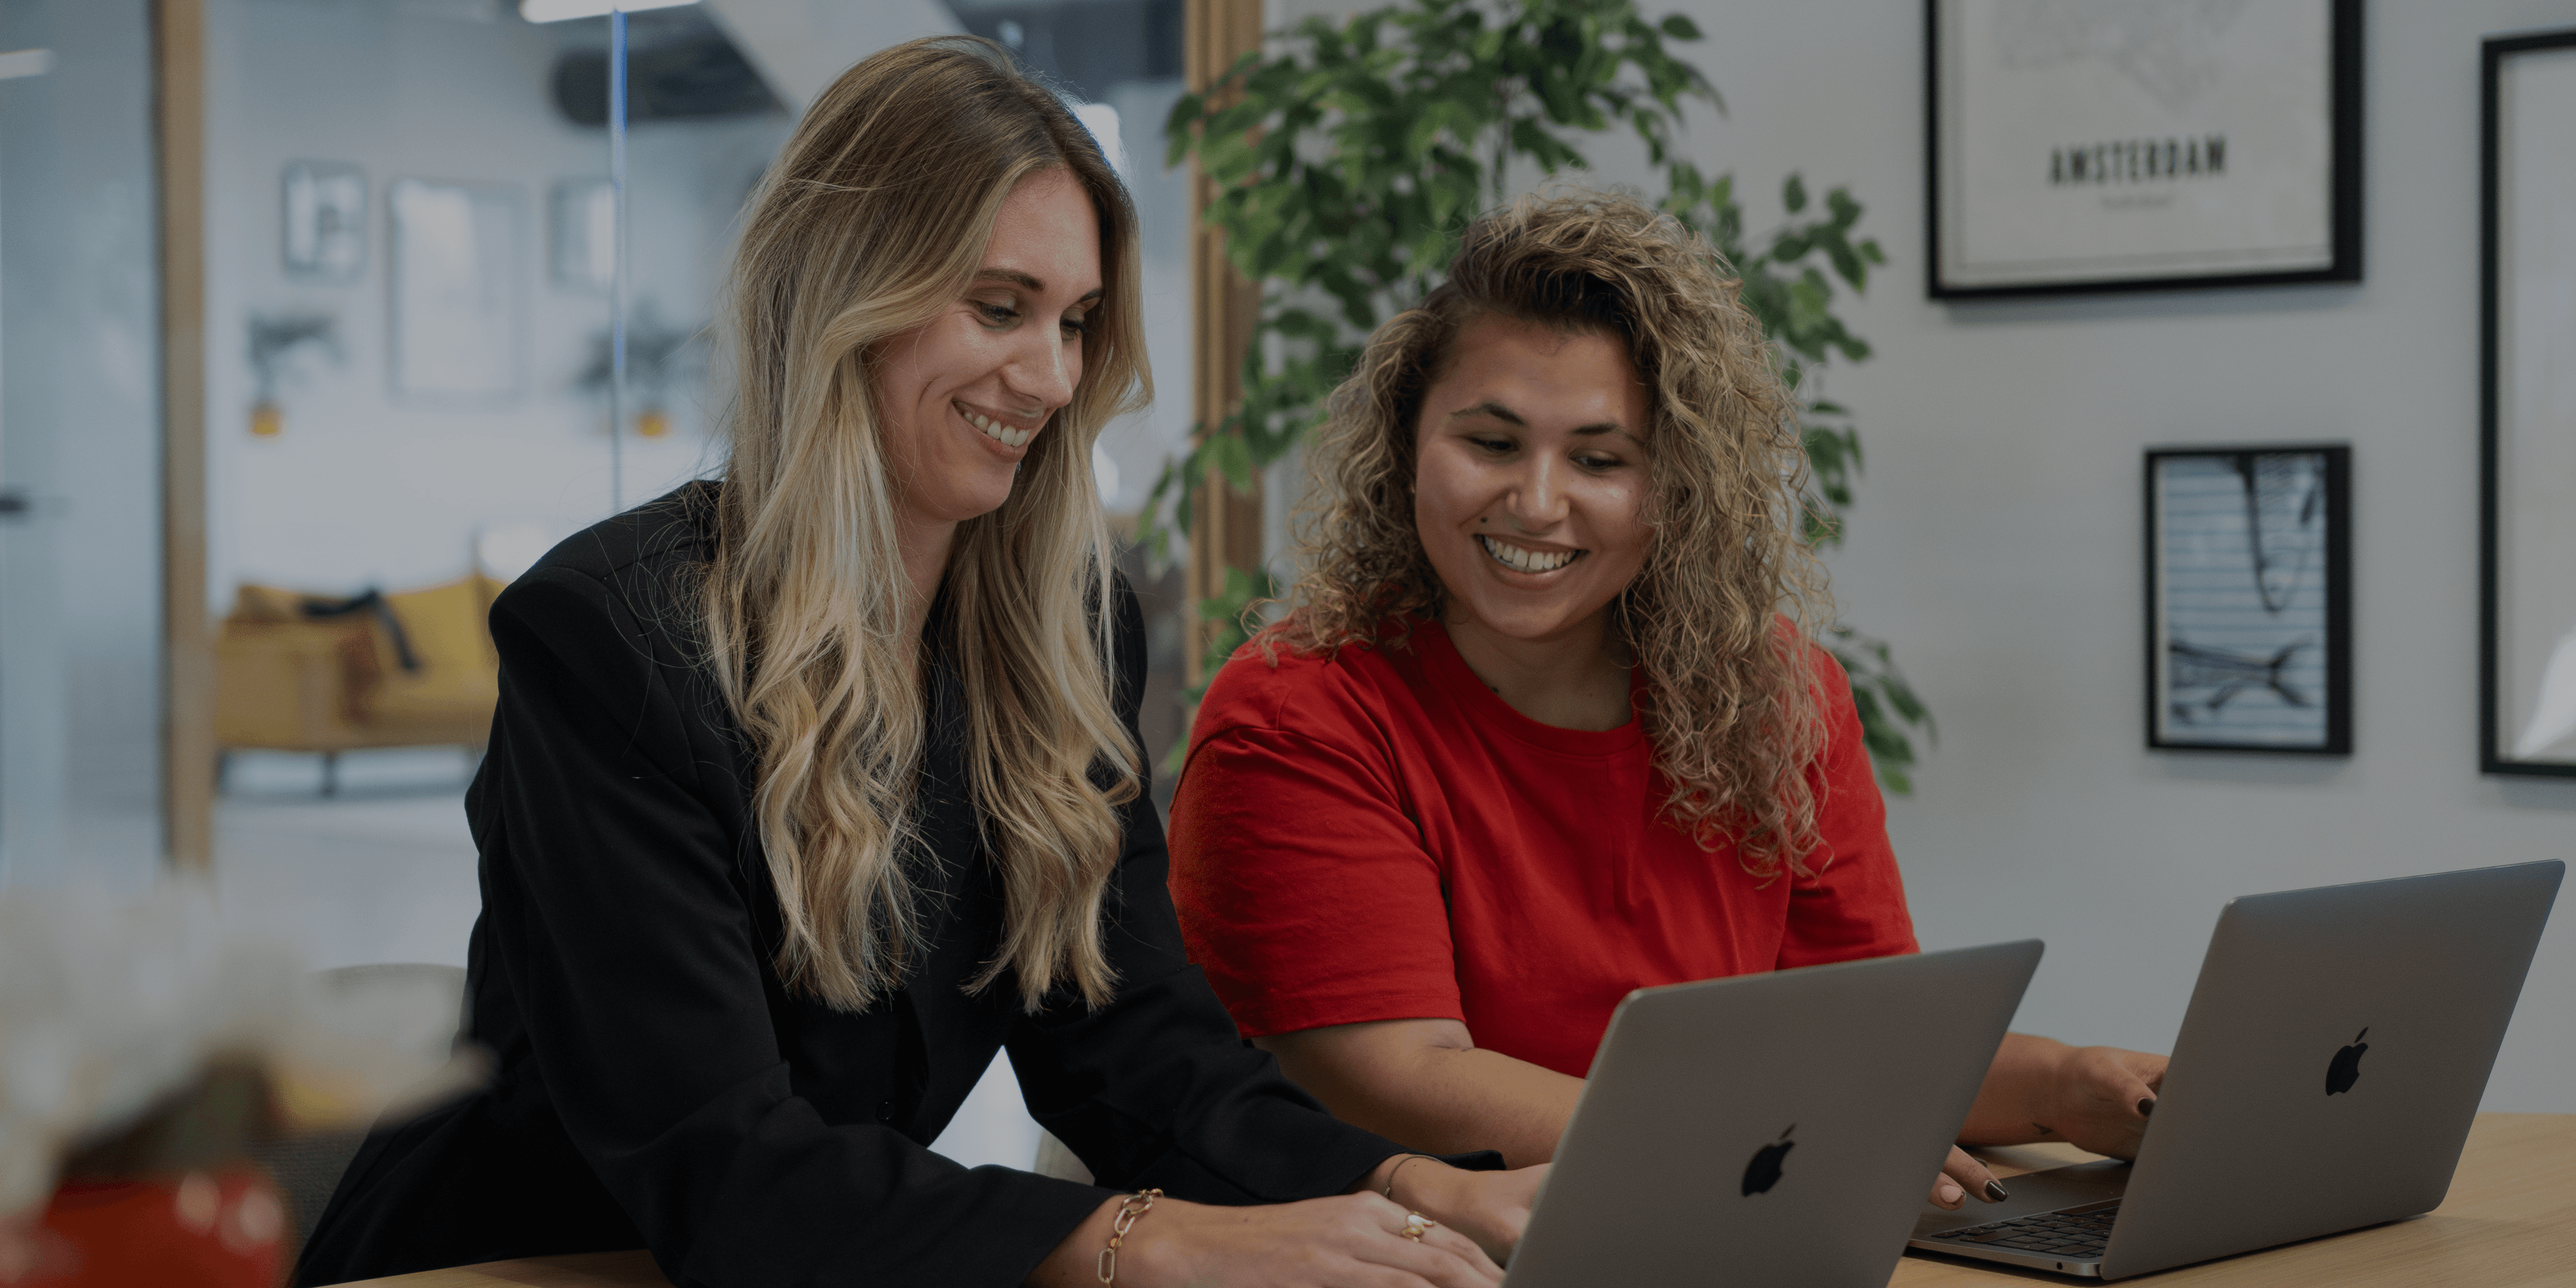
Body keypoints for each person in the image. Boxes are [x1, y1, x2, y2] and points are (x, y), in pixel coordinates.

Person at [294, 38, 1542, 1288]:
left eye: (1076, 322)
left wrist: (1403, 1188)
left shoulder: (1067, 628)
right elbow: (729, 1168)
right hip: (520, 1265)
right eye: (999, 308)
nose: (1052, 377)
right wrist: (1145, 1238)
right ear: (846, 294)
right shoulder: (609, 637)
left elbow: (1137, 1052)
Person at [1166, 189, 2166, 1213]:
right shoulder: (1296, 716)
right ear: (1406, 443)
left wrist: (2062, 1085)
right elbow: (1403, 1077)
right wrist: (1791, 1142)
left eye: (1601, 460)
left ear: (1676, 491)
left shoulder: (1776, 692)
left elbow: (1858, 1039)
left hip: (1730, 1220)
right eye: (1492, 443)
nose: (1537, 502)